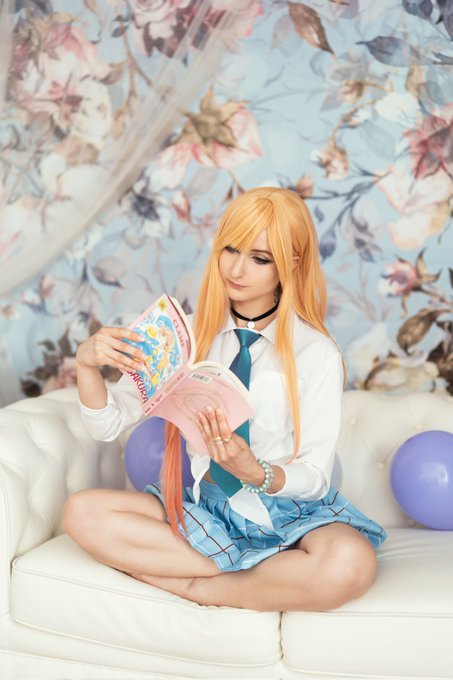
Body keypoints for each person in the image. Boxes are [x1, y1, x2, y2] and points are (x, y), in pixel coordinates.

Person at [64, 187, 386, 612]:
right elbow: (106, 425)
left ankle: (198, 587)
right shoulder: (184, 334)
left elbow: (316, 477)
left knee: (350, 562)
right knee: (81, 512)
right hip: (209, 510)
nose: (236, 269)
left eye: (259, 258)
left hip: (290, 511)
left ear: (291, 262)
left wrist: (256, 472)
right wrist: (86, 365)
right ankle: (263, 572)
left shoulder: (316, 352)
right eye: (230, 249)